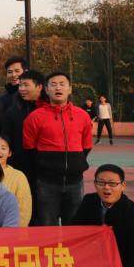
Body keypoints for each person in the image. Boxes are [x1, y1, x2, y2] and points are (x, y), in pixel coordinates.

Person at [23, 71, 92, 226]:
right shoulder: (35, 117)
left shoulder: (82, 116)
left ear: (70, 89)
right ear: (46, 90)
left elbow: (87, 146)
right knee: (47, 227)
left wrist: (75, 164)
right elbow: (29, 148)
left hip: (75, 183)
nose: (58, 88)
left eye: (62, 84)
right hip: (46, 183)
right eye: (53, 85)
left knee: (74, 226)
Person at [1, 69, 46, 174]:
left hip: (45, 167)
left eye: (26, 85)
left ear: (39, 87)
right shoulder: (13, 111)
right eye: (20, 85)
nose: (21, 89)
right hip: (18, 165)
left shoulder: (49, 109)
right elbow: (6, 137)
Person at [0, 135, 32, 226]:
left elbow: (24, 209)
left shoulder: (18, 176)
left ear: (9, 153)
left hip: (11, 230)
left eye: (3, 148)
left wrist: (16, 231)